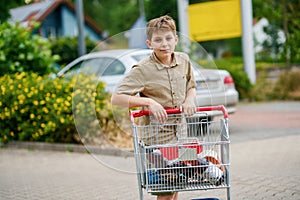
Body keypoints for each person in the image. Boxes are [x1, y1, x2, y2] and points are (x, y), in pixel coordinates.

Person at [111, 15, 197, 200]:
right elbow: (117, 98)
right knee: (164, 189)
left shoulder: (184, 60)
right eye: (158, 40)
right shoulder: (142, 69)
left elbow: (191, 86)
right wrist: (149, 102)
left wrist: (189, 100)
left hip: (180, 132)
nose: (164, 44)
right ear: (150, 43)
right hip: (156, 137)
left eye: (168, 38)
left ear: (176, 39)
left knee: (177, 184)